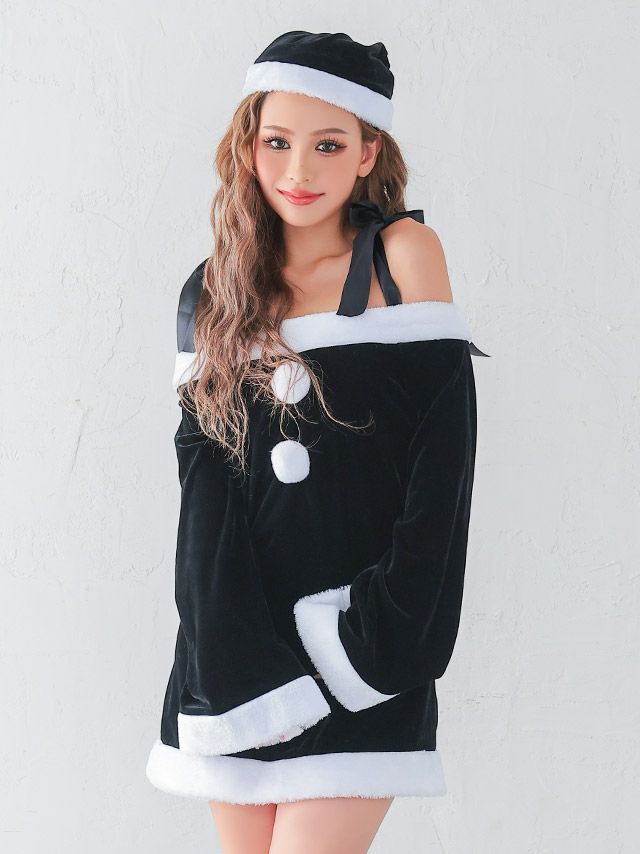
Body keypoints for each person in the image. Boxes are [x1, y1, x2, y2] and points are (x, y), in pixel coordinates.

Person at [145, 29, 490, 853]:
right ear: (248, 147)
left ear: (369, 152)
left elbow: (442, 478)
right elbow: (204, 506)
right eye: (277, 142)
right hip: (238, 657)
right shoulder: (215, 290)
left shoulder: (404, 258)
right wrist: (222, 658)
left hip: (358, 648)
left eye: (328, 144)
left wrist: (376, 642)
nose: (298, 170)